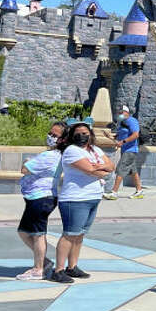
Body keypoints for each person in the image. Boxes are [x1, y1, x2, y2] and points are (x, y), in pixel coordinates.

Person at [51, 119, 113, 284]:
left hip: (93, 196)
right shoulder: (71, 151)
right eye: (78, 133)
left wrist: (99, 168)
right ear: (72, 135)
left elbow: (111, 166)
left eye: (85, 133)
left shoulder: (95, 150)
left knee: (79, 234)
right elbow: (90, 169)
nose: (82, 136)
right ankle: (58, 270)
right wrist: (101, 168)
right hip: (75, 198)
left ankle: (72, 266)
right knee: (69, 234)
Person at [15, 121, 64, 281]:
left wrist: (26, 161)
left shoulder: (49, 156)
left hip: (41, 197)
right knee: (24, 231)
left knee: (37, 234)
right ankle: (43, 261)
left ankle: (39, 269)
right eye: (50, 133)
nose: (50, 137)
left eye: (55, 135)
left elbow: (25, 169)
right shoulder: (55, 155)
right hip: (37, 197)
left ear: (62, 140)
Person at [104, 106, 143, 200]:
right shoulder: (122, 123)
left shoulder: (131, 121)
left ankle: (114, 192)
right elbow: (119, 137)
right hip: (126, 150)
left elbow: (135, 135)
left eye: (121, 112)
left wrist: (123, 142)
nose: (119, 114)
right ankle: (139, 191)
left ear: (126, 112)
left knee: (120, 169)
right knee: (133, 171)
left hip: (131, 150)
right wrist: (110, 136)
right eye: (118, 112)